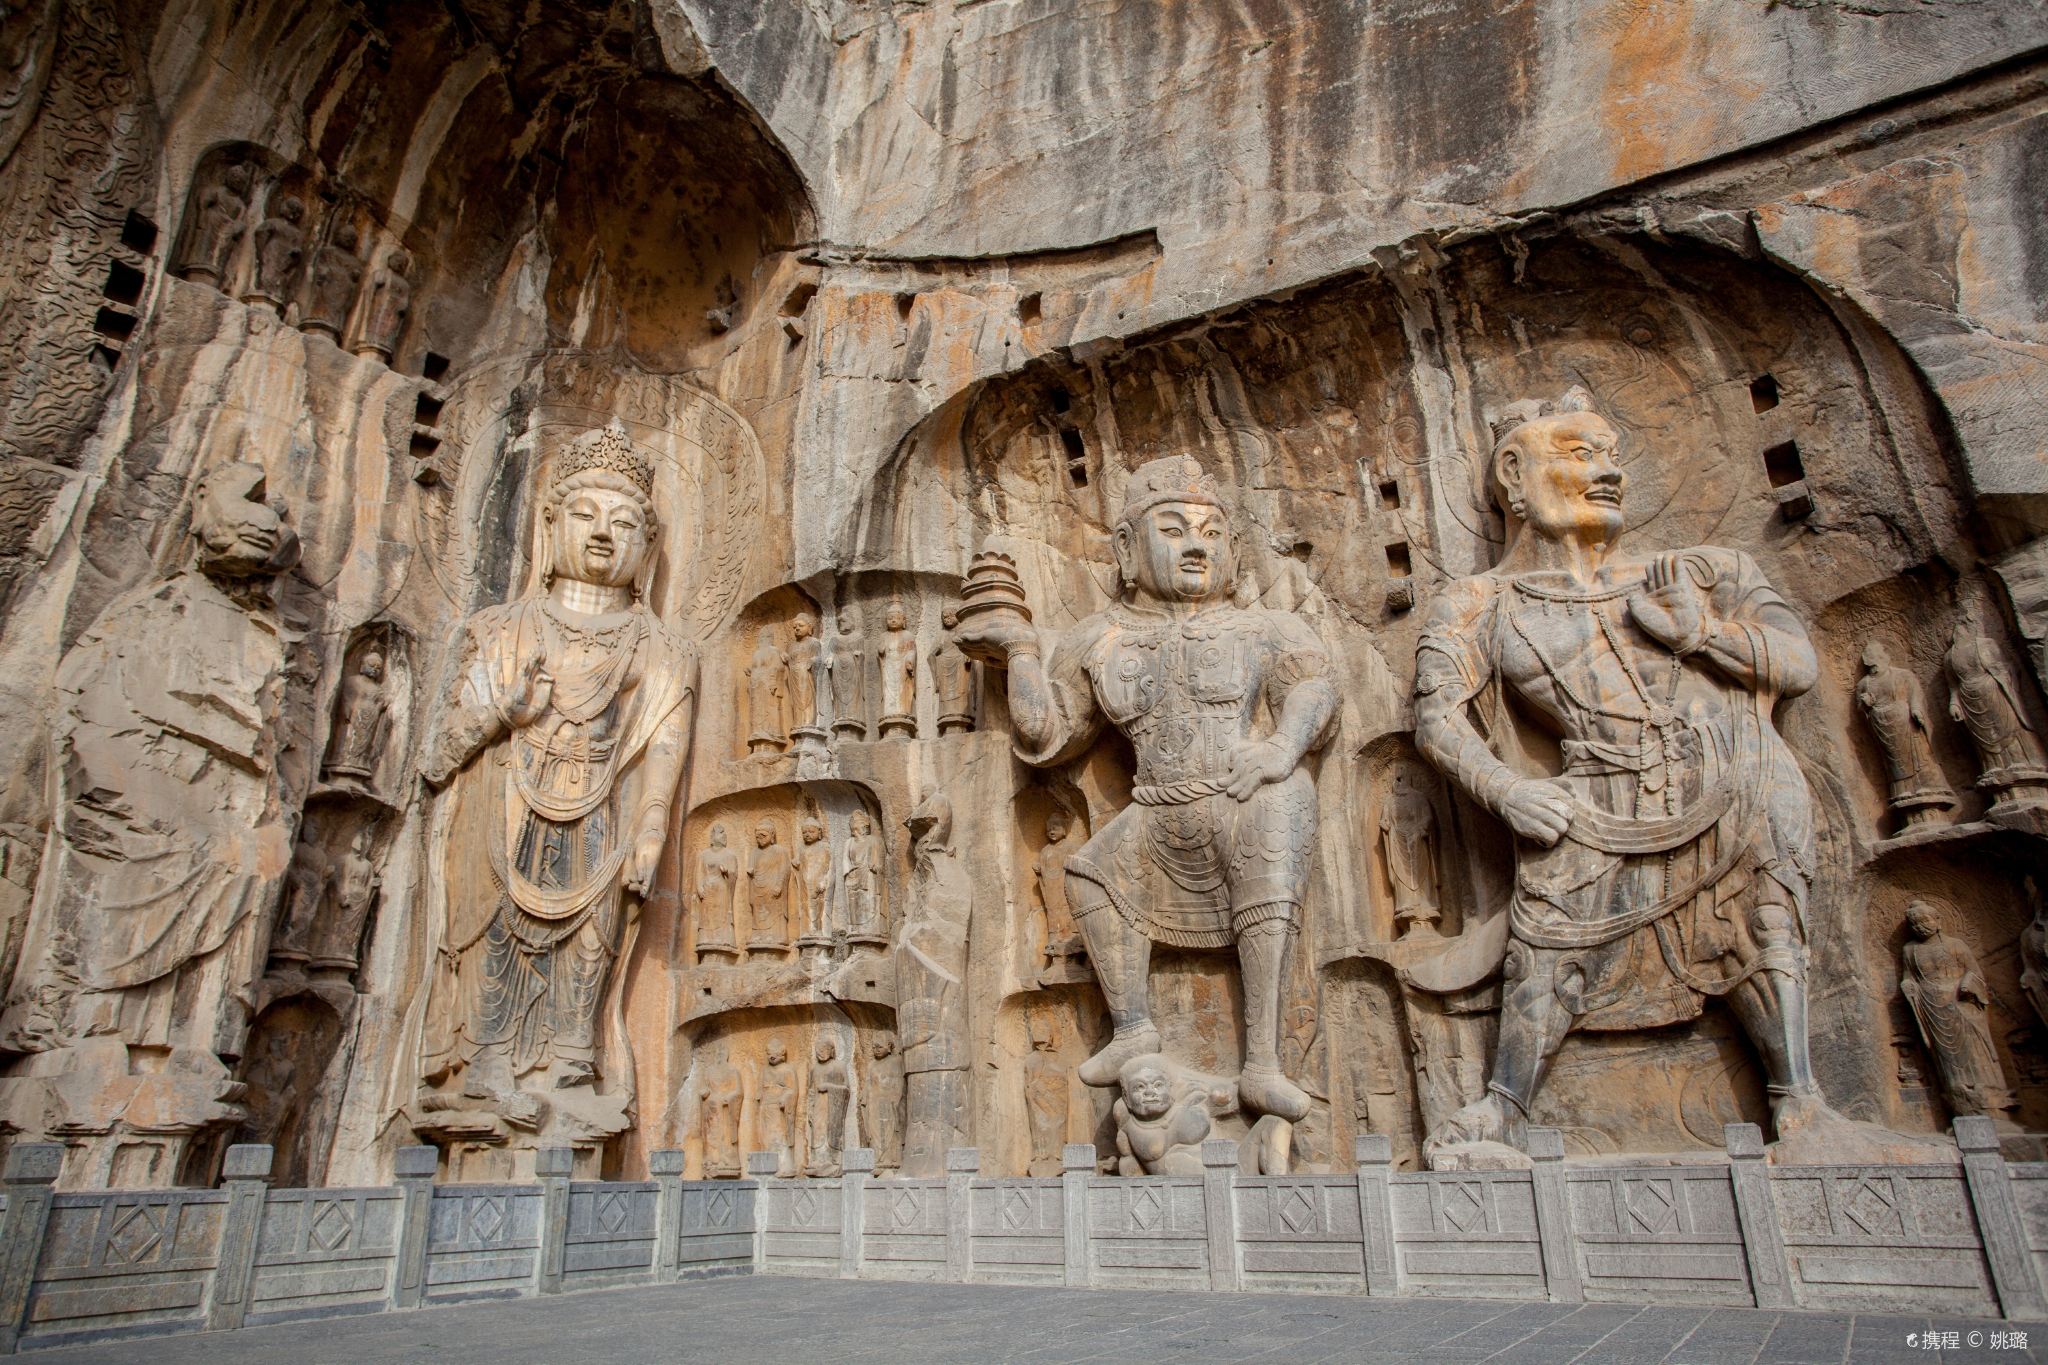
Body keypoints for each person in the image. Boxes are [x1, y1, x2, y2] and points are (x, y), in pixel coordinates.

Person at [952, 455, 1337, 1120]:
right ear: (1129, 549)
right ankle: (1133, 1027)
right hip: (1158, 810)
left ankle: (1263, 1064)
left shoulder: (1264, 627)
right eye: (1174, 529)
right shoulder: (1100, 638)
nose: (1196, 546)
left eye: (1211, 533)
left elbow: (1314, 689)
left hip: (1244, 796)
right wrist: (1020, 651)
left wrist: (1280, 747)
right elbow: (1048, 735)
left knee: (1282, 807)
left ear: (1233, 550)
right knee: (1089, 876)